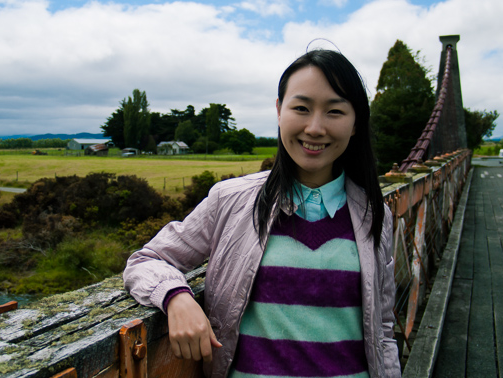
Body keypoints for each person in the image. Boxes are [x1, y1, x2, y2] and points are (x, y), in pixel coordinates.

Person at [123, 49, 400, 378]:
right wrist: (177, 298)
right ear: (279, 111)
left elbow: (382, 328)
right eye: (301, 108)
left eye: (335, 112)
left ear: (355, 124)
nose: (314, 128)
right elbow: (147, 260)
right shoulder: (231, 201)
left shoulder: (375, 215)